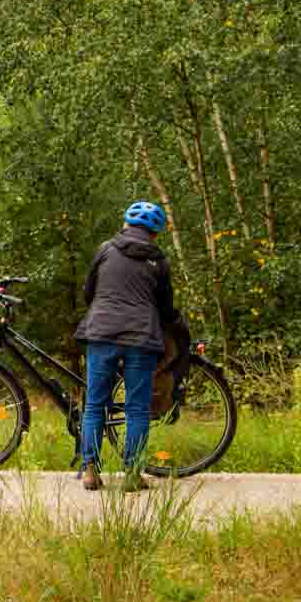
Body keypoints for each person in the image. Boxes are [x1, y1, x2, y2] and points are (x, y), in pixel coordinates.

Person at [74, 200, 185, 491]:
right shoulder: (158, 260)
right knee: (137, 408)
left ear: (126, 224)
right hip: (141, 339)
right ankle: (132, 475)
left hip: (102, 333)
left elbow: (89, 292)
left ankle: (89, 471)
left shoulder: (106, 250)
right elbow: (165, 308)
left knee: (95, 404)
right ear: (155, 233)